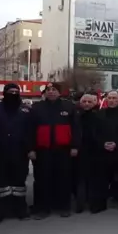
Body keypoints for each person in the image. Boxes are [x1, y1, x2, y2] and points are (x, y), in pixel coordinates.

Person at [29, 82, 80, 219]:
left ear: (59, 92)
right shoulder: (36, 108)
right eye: (48, 90)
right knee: (41, 179)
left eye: (54, 90)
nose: (51, 92)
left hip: (63, 150)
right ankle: (42, 208)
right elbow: (30, 130)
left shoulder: (69, 106)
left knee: (63, 179)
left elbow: (76, 128)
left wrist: (75, 146)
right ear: (45, 92)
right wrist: (31, 149)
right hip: (42, 150)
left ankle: (63, 206)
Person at [91, 90, 118, 213]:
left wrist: (117, 143)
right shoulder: (99, 114)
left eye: (115, 98)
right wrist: (103, 143)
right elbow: (94, 132)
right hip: (103, 151)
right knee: (101, 179)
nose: (112, 100)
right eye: (109, 98)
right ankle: (100, 204)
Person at [0, 83, 33, 221]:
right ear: (4, 93)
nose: (13, 94)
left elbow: (31, 132)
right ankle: (1, 210)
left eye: (16, 91)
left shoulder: (26, 110)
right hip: (0, 152)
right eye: (10, 91)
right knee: (1, 181)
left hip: (20, 152)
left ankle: (20, 209)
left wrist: (31, 149)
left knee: (19, 181)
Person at [74, 92, 99, 213]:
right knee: (80, 178)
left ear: (94, 103)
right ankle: (80, 203)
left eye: (90, 102)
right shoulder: (76, 115)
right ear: (80, 102)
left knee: (93, 178)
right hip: (79, 150)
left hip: (95, 151)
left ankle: (93, 203)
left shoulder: (98, 116)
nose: (87, 104)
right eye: (84, 101)